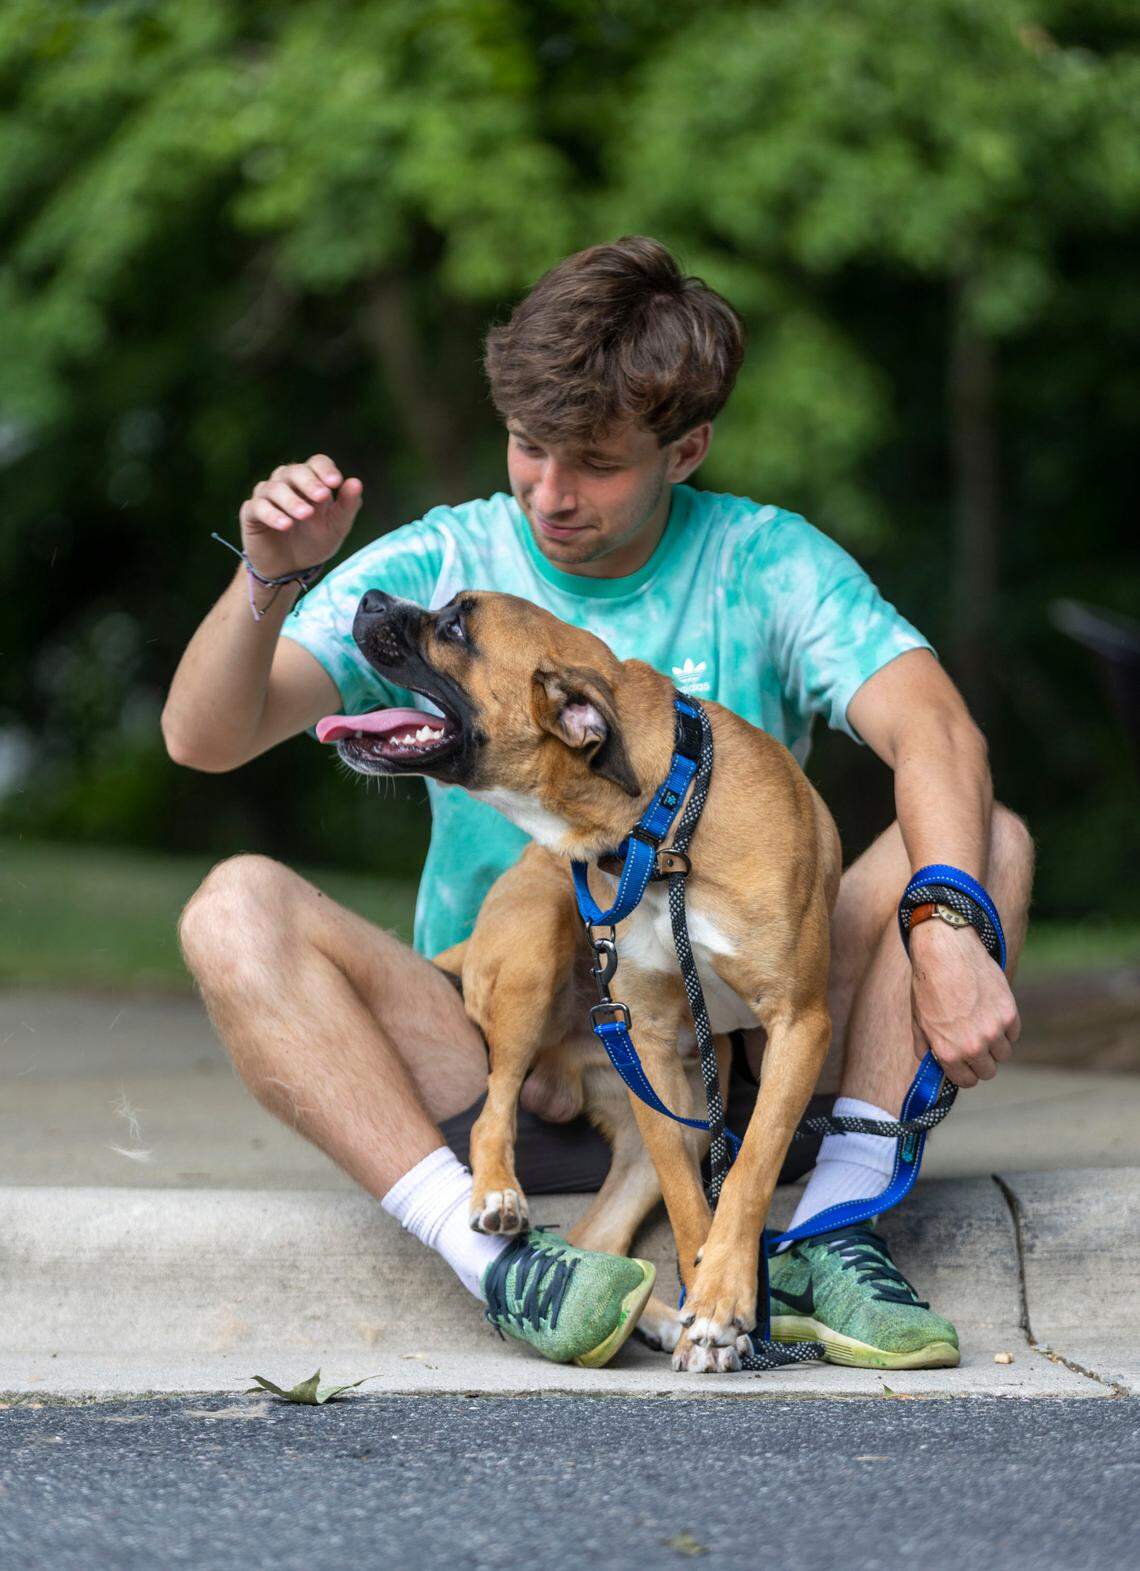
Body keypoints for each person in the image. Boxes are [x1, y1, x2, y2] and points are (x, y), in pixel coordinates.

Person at [164, 236, 1033, 1372]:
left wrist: (950, 921)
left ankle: (835, 1222)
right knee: (232, 910)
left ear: (687, 449)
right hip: (498, 1049)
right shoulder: (453, 562)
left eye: (597, 462)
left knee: (985, 838)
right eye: (530, 446)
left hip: (742, 1052)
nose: (550, 492)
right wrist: (268, 576)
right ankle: (500, 1260)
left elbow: (939, 729)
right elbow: (204, 736)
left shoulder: (765, 563)